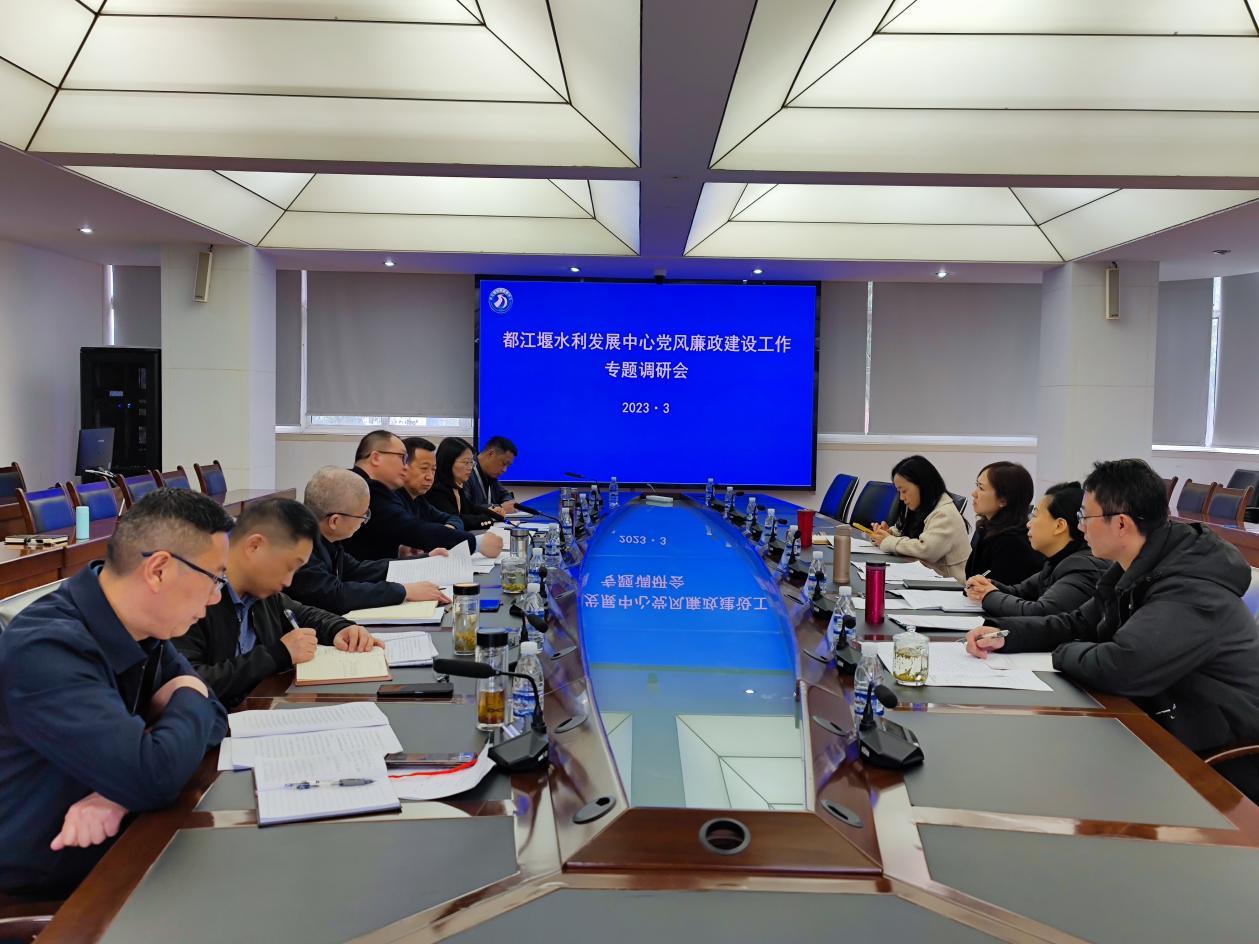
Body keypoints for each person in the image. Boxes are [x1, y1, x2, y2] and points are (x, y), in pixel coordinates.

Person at [966, 459, 1259, 799]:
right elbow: (1078, 622)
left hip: (1216, 761)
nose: (1081, 527)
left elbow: (1122, 665)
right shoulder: (1136, 567)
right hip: (1158, 721)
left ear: (1121, 523)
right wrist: (1005, 635)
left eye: (1085, 517)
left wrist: (1061, 653)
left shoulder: (1190, 587)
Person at [0, 489, 231, 897]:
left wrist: (116, 795)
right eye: (214, 578)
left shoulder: (141, 623)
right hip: (51, 879)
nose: (216, 597)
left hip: (125, 835)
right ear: (159, 570)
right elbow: (154, 776)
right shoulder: (46, 648)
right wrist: (190, 689)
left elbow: (213, 718)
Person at [174, 498, 381, 709]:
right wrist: (278, 655)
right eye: (288, 567)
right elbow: (188, 682)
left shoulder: (261, 592)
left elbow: (301, 613)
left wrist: (340, 628)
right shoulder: (196, 599)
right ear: (254, 546)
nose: (288, 582)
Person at [287, 467, 450, 615]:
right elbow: (335, 595)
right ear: (334, 521)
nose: (365, 521)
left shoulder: (326, 538)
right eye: (363, 515)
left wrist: (424, 561)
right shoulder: (300, 547)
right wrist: (404, 591)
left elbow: (358, 570)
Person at [342, 430, 500, 562]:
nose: (405, 466)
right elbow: (413, 529)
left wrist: (399, 550)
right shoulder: (367, 489)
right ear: (376, 458)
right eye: (402, 458)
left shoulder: (369, 486)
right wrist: (476, 543)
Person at [965, 481, 1108, 617]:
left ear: (1059, 526)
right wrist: (988, 586)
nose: (1028, 524)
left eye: (1035, 515)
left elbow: (1041, 611)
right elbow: (1020, 592)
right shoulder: (1057, 561)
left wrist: (989, 596)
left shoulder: (1082, 567)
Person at [870, 455, 971, 581]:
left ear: (923, 486)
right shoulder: (924, 506)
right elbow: (911, 532)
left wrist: (889, 541)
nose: (901, 498)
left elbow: (926, 551)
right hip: (929, 578)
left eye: (904, 491)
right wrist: (889, 533)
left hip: (951, 584)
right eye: (899, 492)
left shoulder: (945, 514)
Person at [966, 461, 1043, 585]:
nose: (974, 494)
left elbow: (998, 588)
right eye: (977, 485)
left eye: (981, 488)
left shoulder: (1010, 542)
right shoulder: (987, 527)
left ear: (1003, 500)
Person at [429, 437, 502, 530]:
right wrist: (488, 519)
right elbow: (457, 519)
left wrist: (493, 513)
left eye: (471, 462)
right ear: (448, 462)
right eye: (466, 462)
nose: (470, 467)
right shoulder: (437, 489)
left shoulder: (456, 486)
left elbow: (472, 508)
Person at [398, 436, 464, 528]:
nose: (430, 477)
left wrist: (450, 528)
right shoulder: (393, 500)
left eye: (433, 469)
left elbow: (454, 519)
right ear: (403, 466)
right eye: (424, 468)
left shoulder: (419, 500)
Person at [465, 436, 518, 515]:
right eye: (503, 463)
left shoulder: (490, 475)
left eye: (508, 466)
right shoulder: (466, 472)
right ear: (491, 454)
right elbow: (465, 508)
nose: (504, 470)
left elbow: (505, 495)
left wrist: (508, 503)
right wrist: (499, 508)